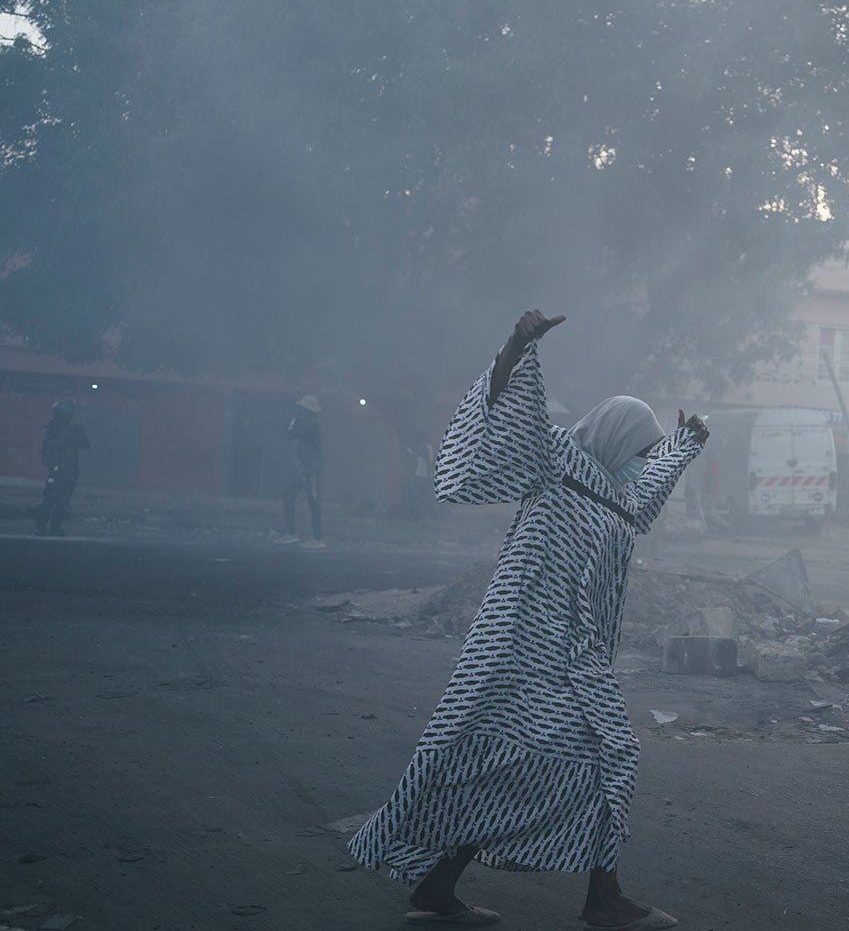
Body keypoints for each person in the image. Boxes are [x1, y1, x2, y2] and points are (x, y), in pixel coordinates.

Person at [350, 309, 708, 929]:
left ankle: (440, 885)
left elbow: (648, 486)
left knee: (514, 763)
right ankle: (601, 898)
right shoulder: (556, 463)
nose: (641, 462)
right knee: (577, 753)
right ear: (617, 438)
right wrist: (516, 346)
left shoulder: (616, 495)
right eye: (640, 449)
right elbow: (502, 420)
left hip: (574, 652)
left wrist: (688, 442)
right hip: (518, 643)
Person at [34, 399, 90, 537]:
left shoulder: (75, 428)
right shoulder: (52, 428)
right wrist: (66, 437)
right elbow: (49, 445)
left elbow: (85, 444)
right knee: (51, 497)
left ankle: (56, 527)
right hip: (56, 468)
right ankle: (41, 524)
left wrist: (74, 435)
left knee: (63, 500)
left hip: (70, 469)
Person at [275, 395, 324, 548]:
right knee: (292, 497)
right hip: (305, 468)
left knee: (312, 502)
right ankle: (294, 534)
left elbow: (290, 433)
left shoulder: (309, 423)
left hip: (310, 469)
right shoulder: (310, 422)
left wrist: (295, 418)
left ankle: (316, 538)